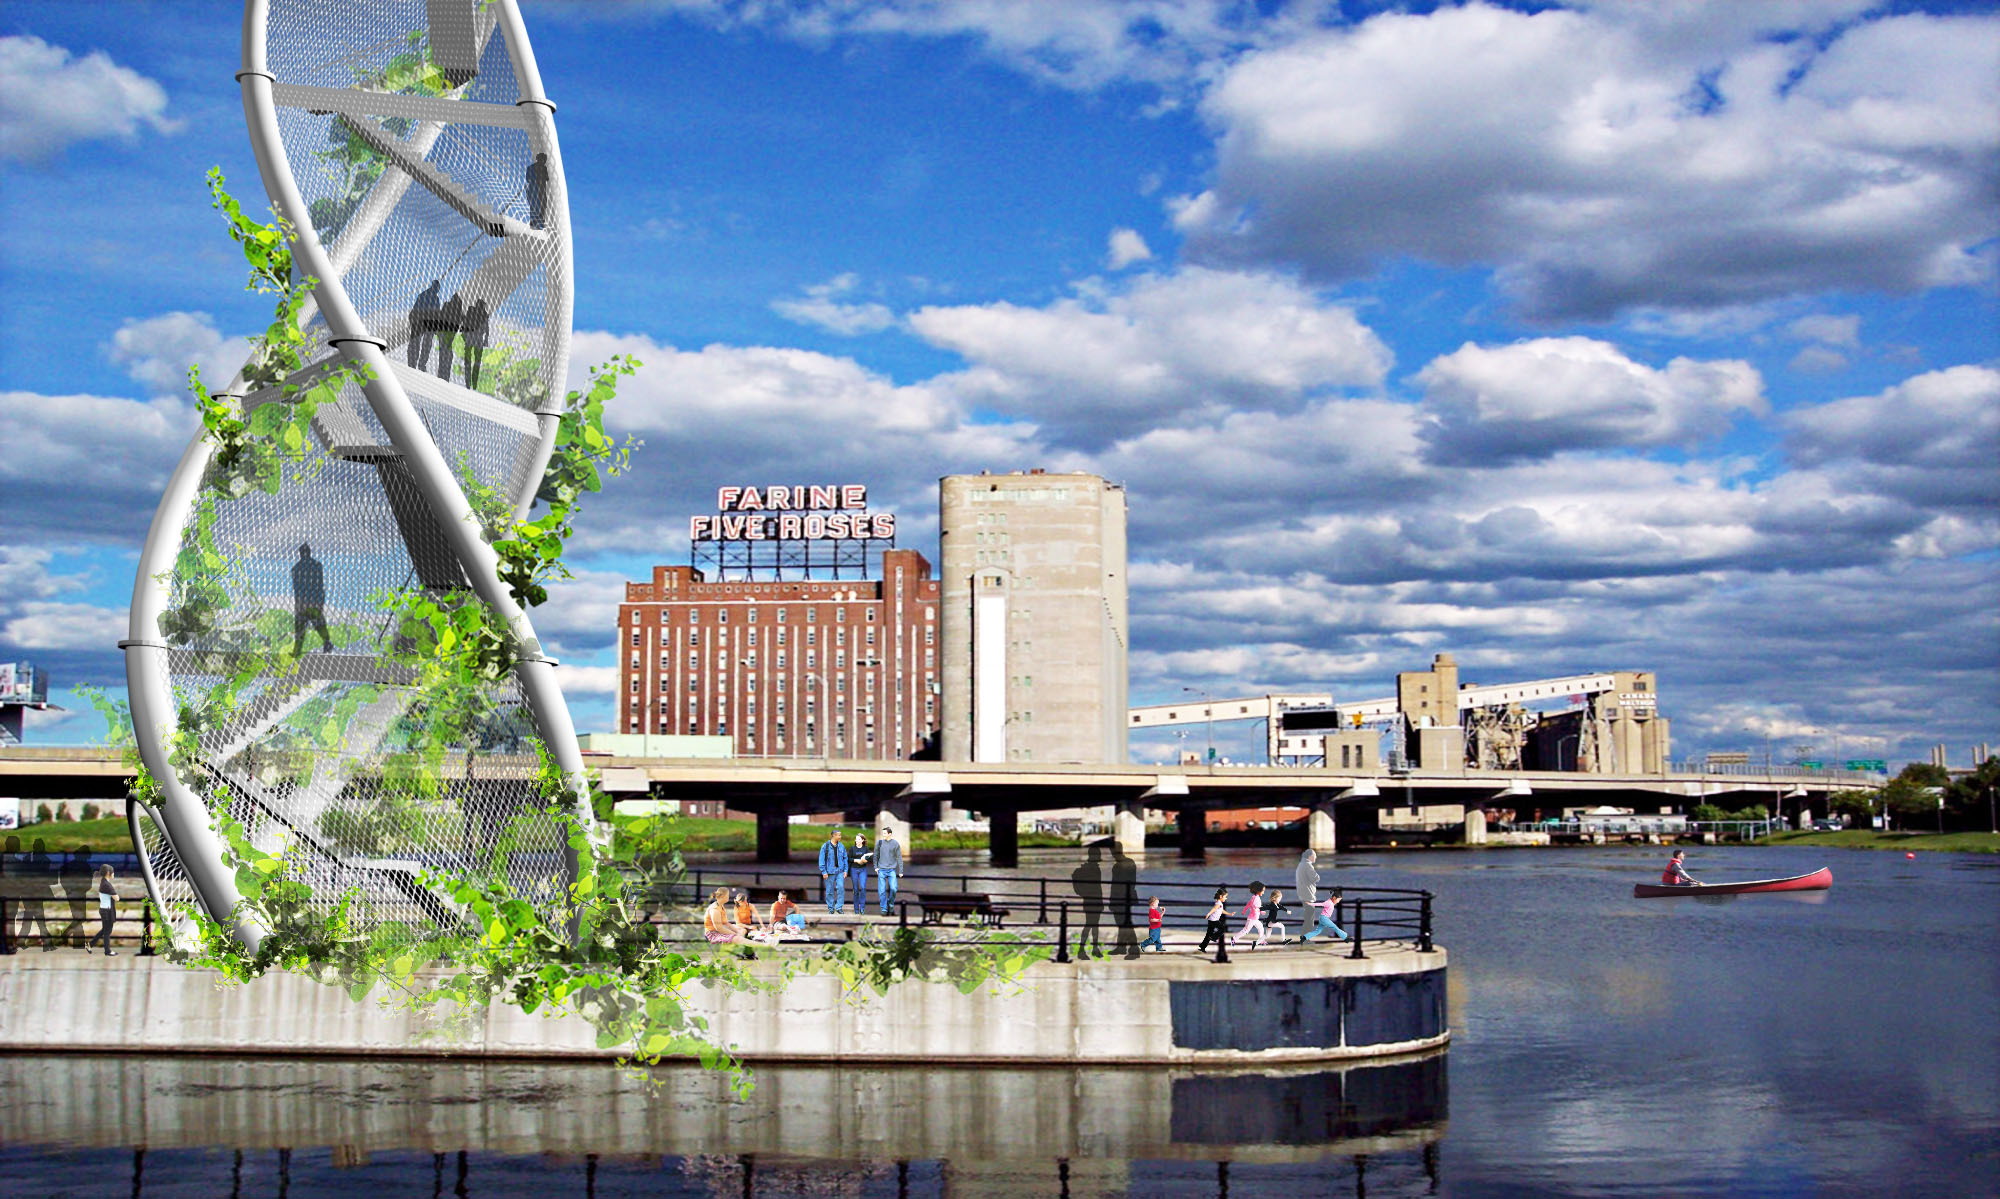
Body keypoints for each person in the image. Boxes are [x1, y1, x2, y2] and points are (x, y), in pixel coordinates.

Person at [291, 544, 334, 655]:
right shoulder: (317, 565)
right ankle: (326, 642)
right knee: (318, 623)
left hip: (303, 601)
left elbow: (296, 587)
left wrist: (299, 601)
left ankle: (298, 649)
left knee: (301, 625)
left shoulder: (296, 568)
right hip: (314, 600)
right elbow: (320, 583)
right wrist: (320, 600)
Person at [407, 278, 442, 372]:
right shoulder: (435, 299)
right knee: (424, 344)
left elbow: (415, 309)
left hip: (419, 321)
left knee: (416, 343)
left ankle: (412, 364)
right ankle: (420, 364)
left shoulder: (423, 294)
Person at [459, 296, 490, 390]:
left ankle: (468, 382)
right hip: (479, 340)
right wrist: (486, 340)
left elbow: (464, 323)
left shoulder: (470, 311)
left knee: (467, 361)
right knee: (477, 362)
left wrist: (464, 334)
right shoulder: (484, 315)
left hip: (469, 338)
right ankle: (474, 383)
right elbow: (486, 329)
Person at [817, 827, 848, 913]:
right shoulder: (825, 846)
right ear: (833, 836)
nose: (840, 837)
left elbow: (845, 858)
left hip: (840, 871)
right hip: (829, 872)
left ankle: (839, 907)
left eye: (840, 835)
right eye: (838, 835)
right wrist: (824, 871)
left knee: (841, 888)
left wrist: (845, 870)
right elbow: (821, 860)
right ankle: (831, 908)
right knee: (829, 890)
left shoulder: (841, 846)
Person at [88, 865, 117, 955]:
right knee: (107, 931)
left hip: (105, 909)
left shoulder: (104, 882)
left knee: (106, 930)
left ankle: (90, 944)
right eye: (113, 872)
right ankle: (107, 951)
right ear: (108, 873)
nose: (114, 873)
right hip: (106, 911)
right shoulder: (106, 885)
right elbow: (117, 898)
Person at [1231, 881, 1268, 950]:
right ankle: (1234, 939)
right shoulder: (1256, 899)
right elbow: (1257, 907)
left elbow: (1249, 904)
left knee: (1261, 928)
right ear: (1258, 891)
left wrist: (1244, 910)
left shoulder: (1254, 897)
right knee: (1246, 930)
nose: (1263, 892)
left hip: (1255, 919)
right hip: (1252, 919)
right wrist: (1262, 911)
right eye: (1262, 891)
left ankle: (1261, 940)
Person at [874, 827, 903, 914]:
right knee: (882, 891)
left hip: (891, 870)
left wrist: (901, 871)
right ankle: (883, 908)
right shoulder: (879, 843)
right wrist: (875, 867)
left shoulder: (895, 844)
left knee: (894, 888)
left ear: (890, 834)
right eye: (883, 833)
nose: (883, 835)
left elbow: (899, 858)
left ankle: (890, 904)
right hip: (881, 870)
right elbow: (875, 855)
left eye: (885, 833)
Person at [1196, 887, 1229, 954]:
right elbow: (1214, 909)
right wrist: (1208, 914)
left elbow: (1221, 911)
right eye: (1225, 897)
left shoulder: (1219, 903)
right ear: (1220, 896)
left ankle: (1202, 946)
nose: (1226, 898)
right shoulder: (1218, 903)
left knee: (1209, 933)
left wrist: (1229, 914)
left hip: (1211, 920)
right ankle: (1213, 937)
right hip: (1214, 920)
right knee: (1222, 928)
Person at [848, 832, 872, 918]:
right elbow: (849, 858)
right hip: (854, 869)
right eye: (856, 839)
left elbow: (869, 858)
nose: (857, 840)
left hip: (863, 870)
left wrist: (865, 860)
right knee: (855, 889)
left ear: (862, 840)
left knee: (863, 887)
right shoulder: (852, 848)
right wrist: (856, 860)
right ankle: (856, 908)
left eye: (859, 839)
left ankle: (862, 907)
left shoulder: (865, 848)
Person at [525, 153, 550, 229]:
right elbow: (547, 178)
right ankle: (535, 223)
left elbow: (528, 179)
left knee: (541, 205)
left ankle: (539, 222)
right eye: (543, 159)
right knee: (536, 206)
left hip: (538, 189)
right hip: (535, 189)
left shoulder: (541, 168)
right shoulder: (541, 168)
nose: (543, 161)